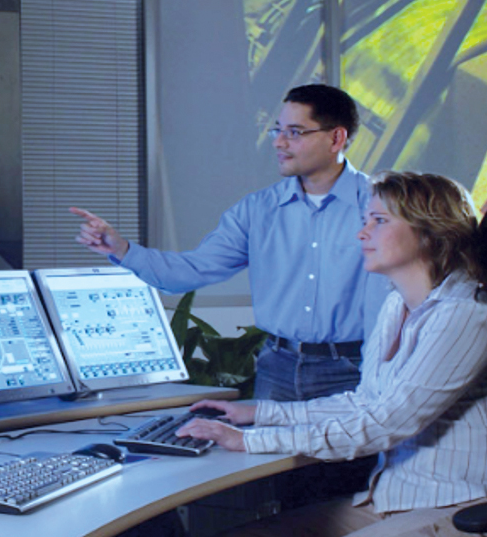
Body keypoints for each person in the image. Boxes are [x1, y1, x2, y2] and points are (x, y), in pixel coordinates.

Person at [175, 171, 487, 537]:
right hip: (391, 498)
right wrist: (261, 412)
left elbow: (386, 424)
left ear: (430, 231)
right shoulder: (397, 307)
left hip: (472, 514)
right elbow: (366, 401)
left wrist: (250, 442)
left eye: (378, 220)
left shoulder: (468, 318)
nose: (361, 232)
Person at [72, 84, 387, 403]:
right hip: (277, 370)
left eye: (295, 132)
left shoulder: (383, 209)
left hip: (353, 370)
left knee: (351, 455)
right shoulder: (257, 210)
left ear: (336, 138)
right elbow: (193, 270)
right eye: (277, 131)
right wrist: (122, 250)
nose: (279, 142)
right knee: (271, 454)